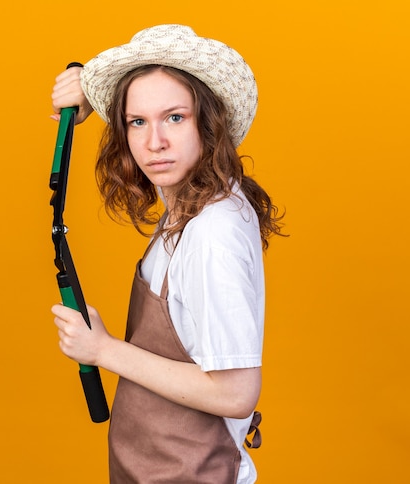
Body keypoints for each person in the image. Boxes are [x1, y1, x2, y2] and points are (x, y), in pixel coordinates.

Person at [51, 24, 284, 483]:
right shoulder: (191, 204)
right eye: (137, 121)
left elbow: (237, 394)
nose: (153, 141)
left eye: (175, 117)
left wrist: (102, 350)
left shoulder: (212, 232)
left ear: (208, 122)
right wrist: (89, 82)